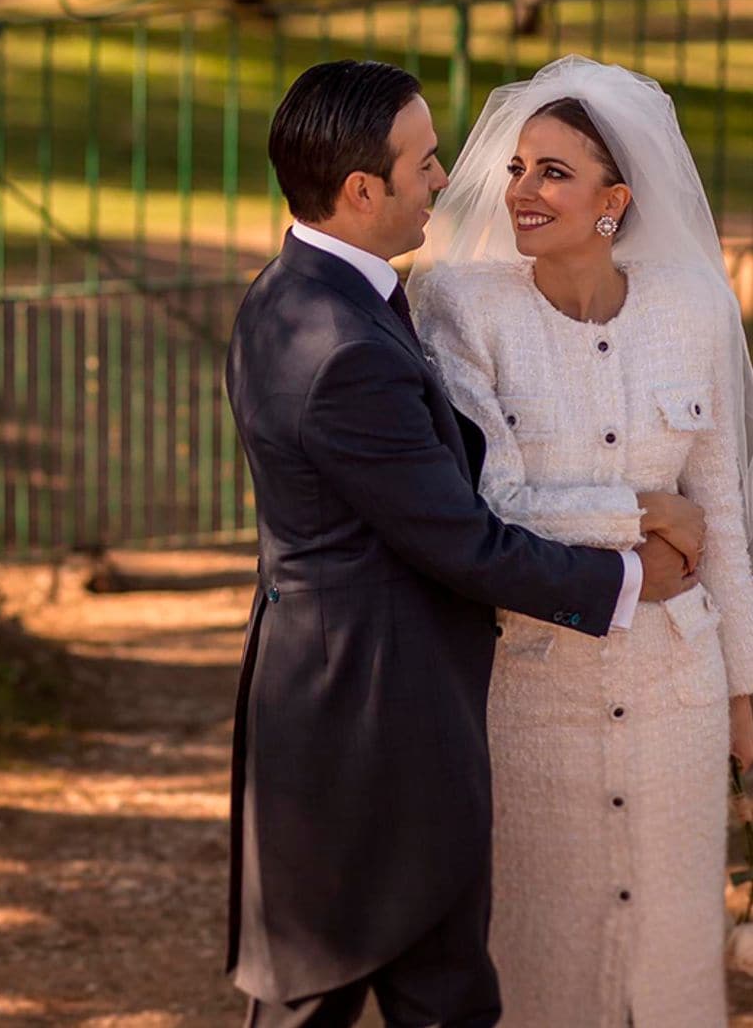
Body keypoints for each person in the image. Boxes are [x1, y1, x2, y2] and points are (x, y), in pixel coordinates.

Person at [225, 59, 698, 1028]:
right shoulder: (342, 345)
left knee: (424, 990)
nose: (447, 179)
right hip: (371, 719)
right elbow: (465, 542)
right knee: (331, 992)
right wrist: (626, 576)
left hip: (347, 703)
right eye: (425, 162)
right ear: (363, 191)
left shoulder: (300, 297)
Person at [410, 55, 753, 1027]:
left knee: (677, 965)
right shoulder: (461, 311)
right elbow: (488, 503)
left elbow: (721, 514)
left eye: (554, 172)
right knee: (536, 964)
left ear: (616, 199)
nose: (521, 191)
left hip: (677, 702)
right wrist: (639, 512)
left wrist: (743, 696)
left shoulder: (692, 310)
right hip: (529, 696)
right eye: (518, 168)